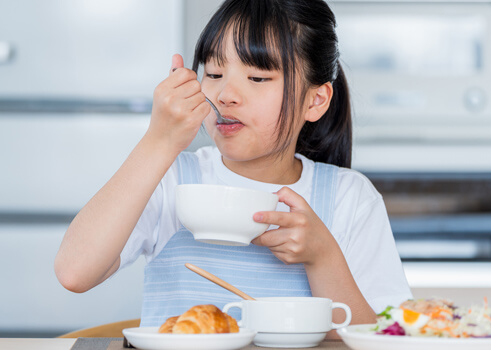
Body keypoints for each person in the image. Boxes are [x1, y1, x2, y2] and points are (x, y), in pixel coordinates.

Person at [54, 0, 412, 338]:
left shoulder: (350, 198)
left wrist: (323, 257)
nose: (225, 94)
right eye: (213, 72)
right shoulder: (172, 178)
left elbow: (385, 339)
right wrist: (157, 143)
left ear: (315, 100)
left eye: (257, 78)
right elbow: (74, 273)